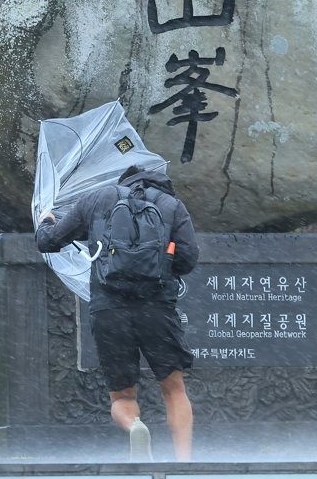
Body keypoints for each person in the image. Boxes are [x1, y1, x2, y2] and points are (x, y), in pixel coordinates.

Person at [36, 165, 199, 462]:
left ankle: (135, 425)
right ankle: (183, 462)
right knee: (174, 390)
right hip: (156, 308)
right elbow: (188, 260)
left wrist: (46, 222)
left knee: (122, 396)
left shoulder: (98, 198)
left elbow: (48, 242)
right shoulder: (171, 205)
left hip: (109, 308)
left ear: (124, 180)